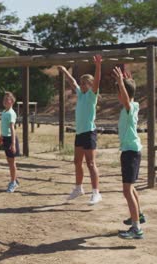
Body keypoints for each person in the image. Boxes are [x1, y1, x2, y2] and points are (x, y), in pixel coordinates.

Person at [58, 55, 103, 205]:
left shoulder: (91, 95)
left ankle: (96, 193)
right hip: (79, 133)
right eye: (82, 83)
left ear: (90, 85)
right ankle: (78, 188)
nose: (82, 85)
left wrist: (98, 66)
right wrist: (65, 70)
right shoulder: (80, 94)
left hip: (90, 132)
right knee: (77, 161)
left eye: (85, 83)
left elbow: (97, 81)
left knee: (90, 163)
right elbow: (72, 82)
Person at [112, 67, 145, 239]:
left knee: (127, 190)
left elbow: (126, 98)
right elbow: (129, 94)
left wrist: (120, 82)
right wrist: (128, 82)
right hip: (132, 151)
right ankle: (138, 215)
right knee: (131, 189)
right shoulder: (134, 105)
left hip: (131, 152)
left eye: (119, 92)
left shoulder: (129, 106)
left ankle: (136, 229)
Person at [0, 92, 20, 193]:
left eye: (7, 99)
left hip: (10, 139)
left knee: (12, 162)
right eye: (4, 99)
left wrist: (13, 143)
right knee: (9, 160)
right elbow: (4, 127)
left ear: (12, 101)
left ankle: (13, 182)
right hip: (5, 138)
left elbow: (12, 129)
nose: (5, 101)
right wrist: (1, 136)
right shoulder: (4, 112)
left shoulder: (11, 113)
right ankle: (15, 179)